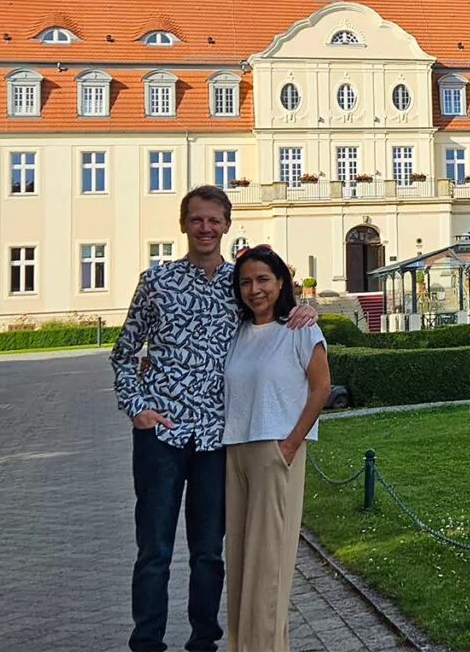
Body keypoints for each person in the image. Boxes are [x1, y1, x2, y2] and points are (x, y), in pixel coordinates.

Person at [111, 185, 317, 652]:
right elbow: (124, 353)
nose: (206, 228)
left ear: (227, 225)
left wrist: (307, 306)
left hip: (216, 438)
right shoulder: (156, 282)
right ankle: (147, 643)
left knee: (208, 553)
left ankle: (204, 641)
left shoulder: (238, 285)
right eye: (197, 219)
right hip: (161, 435)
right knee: (154, 551)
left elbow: (275, 315)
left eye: (214, 220)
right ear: (183, 224)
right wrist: (137, 408)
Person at [223, 244, 331, 652]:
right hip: (235, 450)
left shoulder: (302, 329)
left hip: (276, 450)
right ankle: (241, 645)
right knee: (240, 559)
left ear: (281, 281)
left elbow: (321, 389)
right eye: (246, 281)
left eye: (263, 279)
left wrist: (290, 445)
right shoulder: (238, 332)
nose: (255, 289)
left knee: (269, 562)